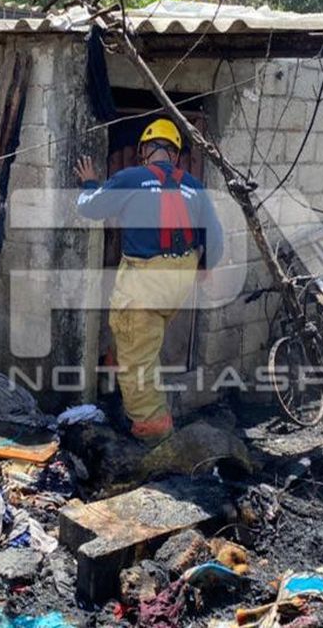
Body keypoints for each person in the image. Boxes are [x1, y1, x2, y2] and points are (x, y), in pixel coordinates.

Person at [75, 118, 224, 444]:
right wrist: (204, 267)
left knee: (138, 360)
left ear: (144, 150)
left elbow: (90, 208)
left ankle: (153, 431)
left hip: (145, 282)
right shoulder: (195, 187)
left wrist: (89, 183)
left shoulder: (131, 177)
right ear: (176, 155)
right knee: (135, 330)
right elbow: (215, 240)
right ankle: (115, 369)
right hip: (178, 284)